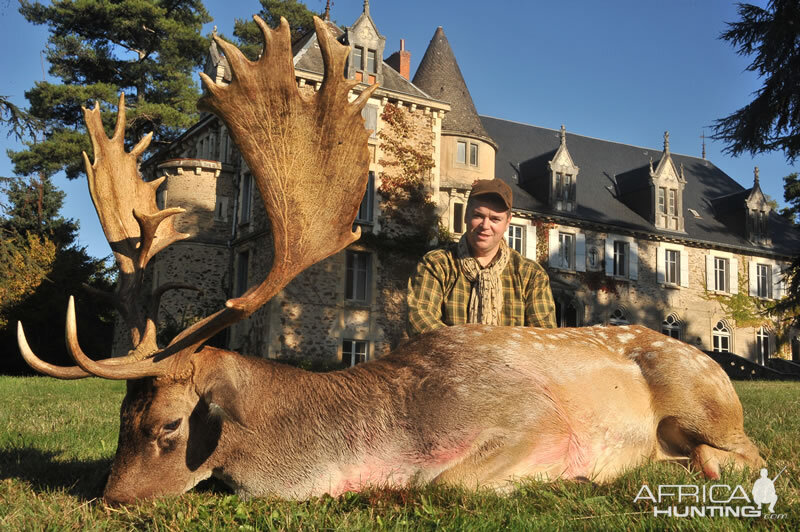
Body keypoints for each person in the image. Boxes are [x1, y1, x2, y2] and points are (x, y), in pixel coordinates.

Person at [407, 178, 557, 336]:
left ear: (507, 223)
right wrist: (472, 352)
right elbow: (419, 321)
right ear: (466, 215)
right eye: (478, 216)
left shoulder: (531, 275)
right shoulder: (437, 265)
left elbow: (543, 339)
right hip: (449, 360)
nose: (485, 226)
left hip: (511, 361)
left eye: (495, 219)